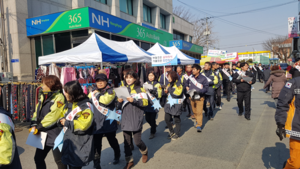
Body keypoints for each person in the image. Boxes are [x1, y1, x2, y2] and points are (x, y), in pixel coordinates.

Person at [30, 75, 67, 169]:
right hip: (43, 132)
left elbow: (53, 116)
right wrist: (34, 122)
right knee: (38, 158)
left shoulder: (59, 97)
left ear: (51, 85)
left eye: (43, 84)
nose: (41, 86)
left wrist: (39, 126)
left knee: (60, 161)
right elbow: (37, 110)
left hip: (55, 133)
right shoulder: (44, 95)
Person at [59, 81, 96, 169]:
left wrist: (67, 123)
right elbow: (63, 115)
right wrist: (60, 121)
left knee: (75, 166)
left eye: (66, 92)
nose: (64, 94)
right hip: (69, 141)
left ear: (73, 92)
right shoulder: (70, 103)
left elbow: (84, 125)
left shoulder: (85, 106)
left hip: (79, 143)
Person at [117, 71, 148, 169]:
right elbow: (118, 107)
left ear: (135, 78)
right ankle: (129, 161)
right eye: (127, 78)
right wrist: (118, 102)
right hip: (125, 118)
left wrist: (133, 100)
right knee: (127, 142)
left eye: (130, 77)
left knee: (137, 141)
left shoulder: (140, 89)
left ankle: (144, 151)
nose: (128, 79)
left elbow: (145, 103)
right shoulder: (122, 89)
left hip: (136, 117)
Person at [88, 74, 121, 169]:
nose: (100, 83)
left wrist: (96, 94)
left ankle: (117, 154)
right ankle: (97, 164)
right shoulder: (92, 91)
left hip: (108, 121)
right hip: (96, 122)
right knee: (96, 145)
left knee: (112, 141)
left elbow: (106, 101)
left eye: (102, 81)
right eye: (98, 81)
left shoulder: (110, 91)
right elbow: (88, 101)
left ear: (106, 81)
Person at [275, 78, 300, 169]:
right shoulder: (294, 83)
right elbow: (282, 104)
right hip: (297, 129)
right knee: (295, 164)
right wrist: (280, 124)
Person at [186, 64, 209, 132]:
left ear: (198, 70)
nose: (192, 70)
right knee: (194, 111)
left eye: (194, 69)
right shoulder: (190, 77)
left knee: (199, 112)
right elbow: (186, 83)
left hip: (200, 97)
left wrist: (199, 92)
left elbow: (206, 88)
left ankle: (199, 125)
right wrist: (187, 87)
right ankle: (197, 120)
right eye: (192, 69)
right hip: (192, 97)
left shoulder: (203, 78)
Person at [164, 71, 184, 140]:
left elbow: (176, 94)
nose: (168, 78)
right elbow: (167, 93)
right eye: (168, 77)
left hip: (176, 105)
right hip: (169, 104)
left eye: (169, 77)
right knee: (166, 119)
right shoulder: (169, 85)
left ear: (173, 77)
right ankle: (171, 131)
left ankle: (177, 133)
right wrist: (165, 91)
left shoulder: (179, 85)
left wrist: (169, 90)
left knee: (176, 119)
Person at [143, 69, 162, 139]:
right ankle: (153, 125)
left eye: (152, 75)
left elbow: (159, 94)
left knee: (152, 119)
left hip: (154, 104)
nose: (150, 77)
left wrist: (153, 91)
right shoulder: (145, 84)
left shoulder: (157, 84)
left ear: (155, 76)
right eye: (149, 75)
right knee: (147, 119)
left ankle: (152, 132)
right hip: (147, 104)